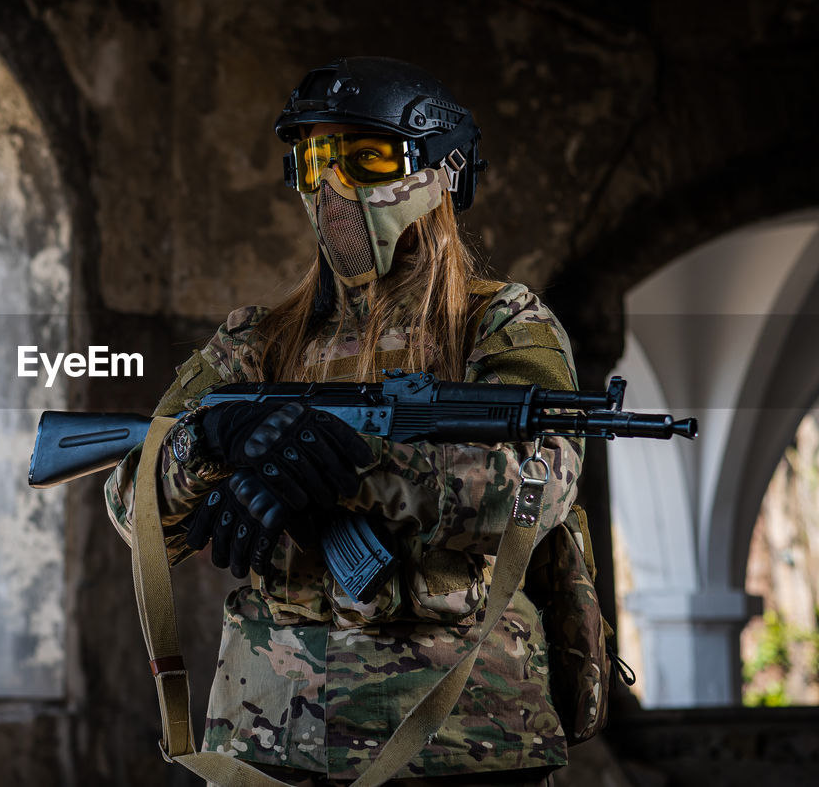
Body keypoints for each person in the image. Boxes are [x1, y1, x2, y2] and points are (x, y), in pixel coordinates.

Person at [106, 57, 582, 786]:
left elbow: (536, 492)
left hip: (464, 740)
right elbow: (130, 508)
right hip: (269, 741)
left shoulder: (500, 322)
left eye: (365, 159)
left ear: (442, 171)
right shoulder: (255, 342)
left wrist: (354, 466)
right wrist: (208, 441)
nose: (333, 187)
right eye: (313, 161)